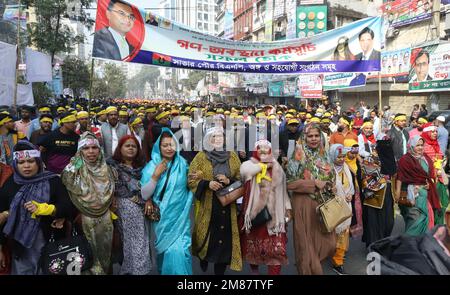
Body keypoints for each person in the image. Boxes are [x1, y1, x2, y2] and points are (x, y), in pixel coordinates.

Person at [0, 141, 75, 275]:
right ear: (15, 165)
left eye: (31, 161)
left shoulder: (53, 181)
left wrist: (48, 209)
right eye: (21, 162)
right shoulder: (10, 184)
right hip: (21, 247)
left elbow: (68, 206)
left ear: (39, 162)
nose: (26, 166)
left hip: (51, 242)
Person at [188, 127, 242, 275]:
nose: (217, 140)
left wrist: (228, 180)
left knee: (224, 244)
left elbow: (241, 179)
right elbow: (191, 179)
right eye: (213, 137)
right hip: (208, 205)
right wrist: (207, 183)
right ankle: (203, 257)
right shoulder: (200, 157)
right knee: (204, 238)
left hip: (227, 205)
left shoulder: (232, 156)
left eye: (220, 137)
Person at [61, 132, 117, 275]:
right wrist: (76, 164)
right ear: (80, 151)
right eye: (86, 148)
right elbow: (68, 186)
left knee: (105, 255)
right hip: (81, 218)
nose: (91, 151)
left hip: (105, 219)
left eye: (94, 147)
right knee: (86, 257)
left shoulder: (108, 170)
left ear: (100, 150)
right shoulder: (72, 171)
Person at [141, 128, 193, 275]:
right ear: (159, 147)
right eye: (165, 145)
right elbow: (145, 195)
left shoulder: (183, 164)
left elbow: (190, 186)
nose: (169, 148)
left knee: (180, 252)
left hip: (181, 218)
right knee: (165, 253)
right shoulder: (151, 166)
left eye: (172, 145)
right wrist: (155, 176)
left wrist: (195, 179)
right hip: (162, 220)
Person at [286, 123, 336, 275]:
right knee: (306, 245)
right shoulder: (298, 154)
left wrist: (331, 185)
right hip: (304, 204)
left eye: (316, 135)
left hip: (323, 204)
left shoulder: (324, 154)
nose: (314, 139)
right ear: (304, 137)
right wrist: (314, 183)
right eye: (310, 136)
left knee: (330, 243)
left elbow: (331, 175)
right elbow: (290, 183)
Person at [239, 139, 292, 275]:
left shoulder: (277, 166)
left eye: (266, 148)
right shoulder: (247, 164)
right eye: (259, 148)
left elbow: (283, 190)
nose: (262, 150)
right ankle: (255, 272)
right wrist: (264, 165)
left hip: (275, 215)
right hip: (255, 215)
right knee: (254, 249)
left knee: (276, 252)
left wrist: (288, 207)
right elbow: (247, 173)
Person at [107, 135, 151, 275]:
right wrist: (136, 198)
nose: (131, 148)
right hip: (124, 205)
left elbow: (149, 185)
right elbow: (115, 188)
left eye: (134, 146)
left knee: (139, 240)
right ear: (120, 148)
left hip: (142, 205)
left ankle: (132, 269)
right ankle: (138, 270)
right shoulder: (112, 165)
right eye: (127, 146)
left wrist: (146, 199)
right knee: (135, 241)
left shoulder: (143, 166)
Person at [396, 136, 439, 236]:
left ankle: (419, 247)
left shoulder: (426, 158)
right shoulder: (405, 160)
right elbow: (400, 177)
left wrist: (428, 184)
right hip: (411, 195)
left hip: (425, 195)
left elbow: (429, 175)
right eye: (417, 145)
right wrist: (397, 193)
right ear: (411, 146)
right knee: (415, 221)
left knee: (426, 220)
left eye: (422, 145)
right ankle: (405, 245)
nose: (420, 148)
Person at [329, 144, 354, 275]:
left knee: (343, 231)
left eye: (343, 156)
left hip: (346, 203)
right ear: (332, 156)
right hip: (332, 205)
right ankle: (329, 252)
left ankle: (338, 260)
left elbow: (350, 185)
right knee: (331, 232)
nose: (341, 159)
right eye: (338, 156)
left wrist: (350, 193)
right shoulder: (327, 168)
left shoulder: (345, 167)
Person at [421, 123, 449, 225]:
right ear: (427, 133)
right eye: (432, 131)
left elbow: (439, 160)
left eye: (436, 131)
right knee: (431, 206)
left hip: (439, 179)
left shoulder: (436, 144)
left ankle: (439, 228)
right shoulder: (422, 146)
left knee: (442, 205)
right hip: (429, 181)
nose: (435, 133)